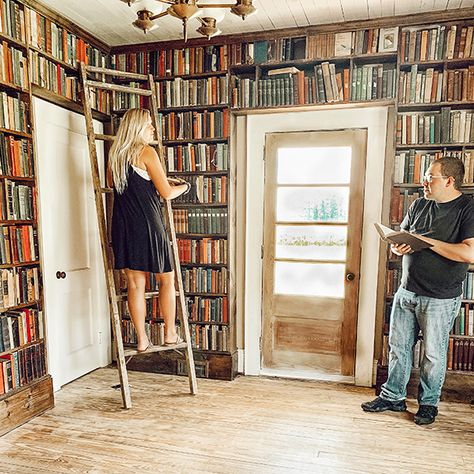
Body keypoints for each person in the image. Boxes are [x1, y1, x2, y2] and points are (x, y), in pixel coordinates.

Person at [362, 156, 474, 425]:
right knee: (398, 348)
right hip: (407, 290)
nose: (423, 181)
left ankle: (428, 403)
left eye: (430, 177)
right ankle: (393, 397)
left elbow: (469, 252)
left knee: (433, 355)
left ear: (449, 180)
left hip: (441, 296)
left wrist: (425, 241)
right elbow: (402, 235)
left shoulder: (467, 209)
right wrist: (396, 245)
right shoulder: (419, 205)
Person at [108, 108, 190, 352]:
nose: (153, 129)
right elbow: (166, 193)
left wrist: (157, 183)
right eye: (148, 125)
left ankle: (142, 339)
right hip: (148, 224)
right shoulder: (147, 152)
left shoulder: (115, 156)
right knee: (167, 278)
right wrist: (184, 187)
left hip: (122, 225)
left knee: (135, 284)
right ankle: (170, 333)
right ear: (136, 128)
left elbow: (126, 188)